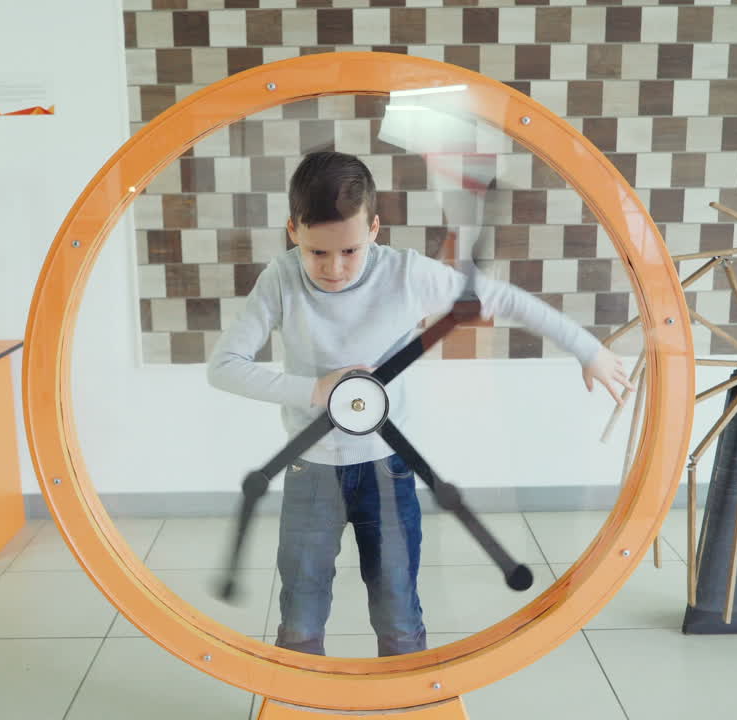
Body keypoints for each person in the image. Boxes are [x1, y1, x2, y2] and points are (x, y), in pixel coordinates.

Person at [207, 151, 633, 657]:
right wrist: (316, 390)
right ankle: (300, 694)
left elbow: (502, 298)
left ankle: (405, 694)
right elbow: (224, 366)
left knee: (397, 608)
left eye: (350, 250)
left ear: (375, 230)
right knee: (300, 609)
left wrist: (587, 349)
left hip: (387, 468)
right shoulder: (280, 278)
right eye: (317, 252)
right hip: (310, 469)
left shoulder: (405, 274)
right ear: (292, 230)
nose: (334, 268)